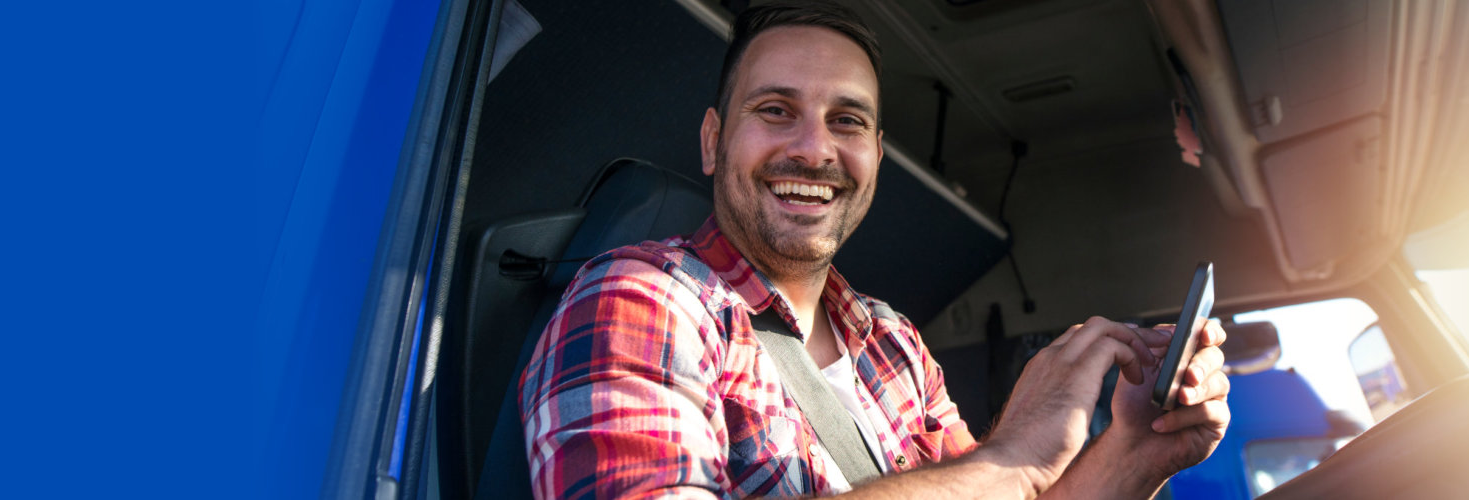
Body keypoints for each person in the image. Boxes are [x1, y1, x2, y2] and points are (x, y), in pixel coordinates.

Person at [517, 2, 1231, 498]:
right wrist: (1010, 456)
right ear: (713, 142)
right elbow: (996, 482)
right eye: (775, 111)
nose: (813, 148)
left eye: (847, 120)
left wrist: (1139, 452)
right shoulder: (641, 297)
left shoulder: (891, 339)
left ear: (876, 156)